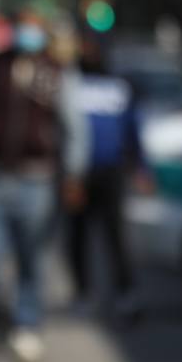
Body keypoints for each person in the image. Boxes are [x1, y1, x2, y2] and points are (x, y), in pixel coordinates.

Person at [0, 9, 87, 362]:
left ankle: (26, 325)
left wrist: (74, 173)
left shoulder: (56, 71)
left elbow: (73, 125)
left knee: (31, 257)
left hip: (37, 179)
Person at [63, 33, 147, 324]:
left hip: (112, 172)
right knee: (77, 236)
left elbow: (133, 129)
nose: (89, 52)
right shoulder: (71, 84)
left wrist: (142, 168)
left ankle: (126, 295)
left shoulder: (119, 86)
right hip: (80, 174)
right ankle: (84, 293)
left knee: (116, 237)